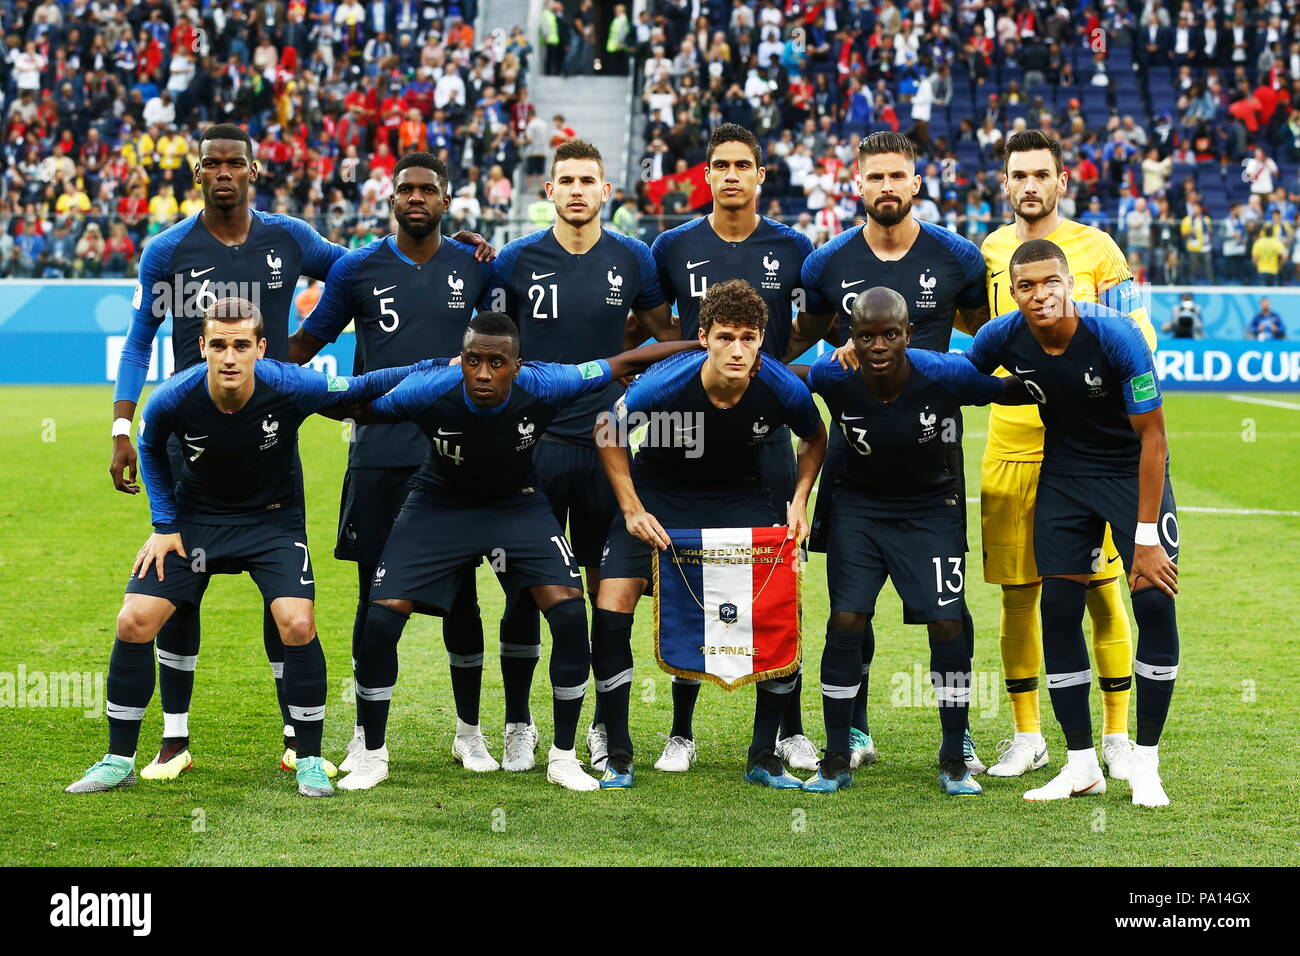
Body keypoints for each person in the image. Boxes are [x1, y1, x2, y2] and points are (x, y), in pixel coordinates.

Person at [325, 314, 698, 792]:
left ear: (516, 366)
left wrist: (702, 348)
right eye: (473, 360)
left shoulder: (547, 383)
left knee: (567, 613)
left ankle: (563, 757)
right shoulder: (429, 388)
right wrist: (285, 393)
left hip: (517, 504)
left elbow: (623, 360)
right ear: (461, 360)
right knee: (380, 617)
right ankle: (373, 755)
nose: (483, 373)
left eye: (495, 363)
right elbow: (359, 408)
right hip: (439, 503)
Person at [66, 299, 420, 797]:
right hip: (194, 525)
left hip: (271, 524)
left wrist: (429, 366)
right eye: (218, 345)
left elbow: (360, 388)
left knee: (297, 623)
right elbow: (149, 446)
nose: (229, 357)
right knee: (133, 619)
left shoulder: (291, 383)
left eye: (240, 346)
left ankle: (310, 759)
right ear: (203, 349)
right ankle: (117, 758)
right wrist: (164, 524)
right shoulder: (174, 396)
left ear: (260, 348)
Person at [107, 124, 349, 781]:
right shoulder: (167, 249)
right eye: (210, 163)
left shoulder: (289, 238)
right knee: (178, 596)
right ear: (196, 173)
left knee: (287, 605)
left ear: (252, 170)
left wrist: (305, 342)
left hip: (270, 447)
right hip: (190, 449)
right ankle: (172, 741)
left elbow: (352, 271)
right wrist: (123, 429)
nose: (222, 173)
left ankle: (301, 743)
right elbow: (137, 342)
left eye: (233, 163)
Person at [785, 130, 990, 774]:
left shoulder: (957, 259)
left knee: (947, 616)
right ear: (858, 185)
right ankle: (857, 732)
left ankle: (956, 742)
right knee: (851, 608)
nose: (887, 188)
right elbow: (803, 343)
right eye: (875, 178)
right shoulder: (827, 264)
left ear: (916, 183)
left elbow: (986, 341)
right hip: (855, 467)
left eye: (898, 176)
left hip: (935, 467)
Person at [287, 153, 499, 774]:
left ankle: (470, 731)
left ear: (447, 199)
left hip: (457, 454)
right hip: (378, 454)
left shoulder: (475, 266)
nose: (415, 198)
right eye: (405, 188)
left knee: (461, 598)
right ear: (391, 199)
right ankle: (364, 736)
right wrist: (263, 381)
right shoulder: (357, 268)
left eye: (427, 189)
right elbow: (308, 343)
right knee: (372, 598)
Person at [965, 240, 1181, 808]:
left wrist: (1145, 538)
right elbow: (962, 381)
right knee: (1058, 612)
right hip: (1062, 478)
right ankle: (1081, 765)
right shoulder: (1001, 336)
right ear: (1013, 293)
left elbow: (1154, 438)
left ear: (1071, 285)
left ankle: (1146, 762)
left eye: (1051, 282)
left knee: (1154, 602)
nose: (1041, 294)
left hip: (1130, 474)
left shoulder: (1116, 335)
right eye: (1028, 285)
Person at [485, 139, 676, 772]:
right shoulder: (513, 262)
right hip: (530, 451)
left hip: (605, 450)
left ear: (605, 191)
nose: (575, 190)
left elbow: (664, 337)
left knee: (607, 592)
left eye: (586, 180)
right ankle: (518, 723)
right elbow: (489, 347)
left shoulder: (633, 257)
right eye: (564, 179)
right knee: (523, 592)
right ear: (548, 191)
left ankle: (602, 727)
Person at [592, 279, 827, 788]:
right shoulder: (664, 384)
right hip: (660, 495)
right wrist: (631, 509)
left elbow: (815, 436)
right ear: (703, 337)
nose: (736, 350)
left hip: (738, 498)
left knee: (781, 607)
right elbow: (607, 431)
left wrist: (799, 499)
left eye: (747, 337)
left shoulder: (781, 385)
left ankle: (764, 756)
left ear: (762, 338)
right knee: (611, 604)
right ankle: (618, 752)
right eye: (724, 337)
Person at [978, 129, 1157, 780]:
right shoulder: (991, 252)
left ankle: (1115, 736)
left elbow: (1139, 334)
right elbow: (985, 344)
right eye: (1018, 174)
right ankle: (1028, 735)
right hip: (1009, 447)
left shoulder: (1100, 250)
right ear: (1005, 184)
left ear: (1061, 181)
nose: (1029, 184)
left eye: (1040, 174)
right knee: (1018, 596)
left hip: (1084, 451)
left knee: (1103, 592)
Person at [796, 288, 1025, 795]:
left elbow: (1008, 391)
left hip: (931, 510)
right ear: (849, 338)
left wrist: (1077, 383)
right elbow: (784, 383)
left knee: (947, 623)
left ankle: (954, 753)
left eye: (890, 335)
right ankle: (835, 756)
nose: (878, 346)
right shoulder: (835, 374)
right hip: (859, 509)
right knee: (846, 618)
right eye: (866, 336)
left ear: (908, 334)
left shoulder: (944, 372)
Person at [646, 124, 820, 773]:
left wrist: (771, 373)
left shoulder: (793, 246)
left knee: (778, 580)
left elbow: (816, 320)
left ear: (760, 173)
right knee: (691, 578)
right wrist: (689, 366)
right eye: (719, 164)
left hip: (764, 441)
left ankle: (789, 730)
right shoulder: (673, 244)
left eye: (742, 164)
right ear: (707, 173)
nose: (730, 175)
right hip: (689, 437)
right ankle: (681, 732)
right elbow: (651, 317)